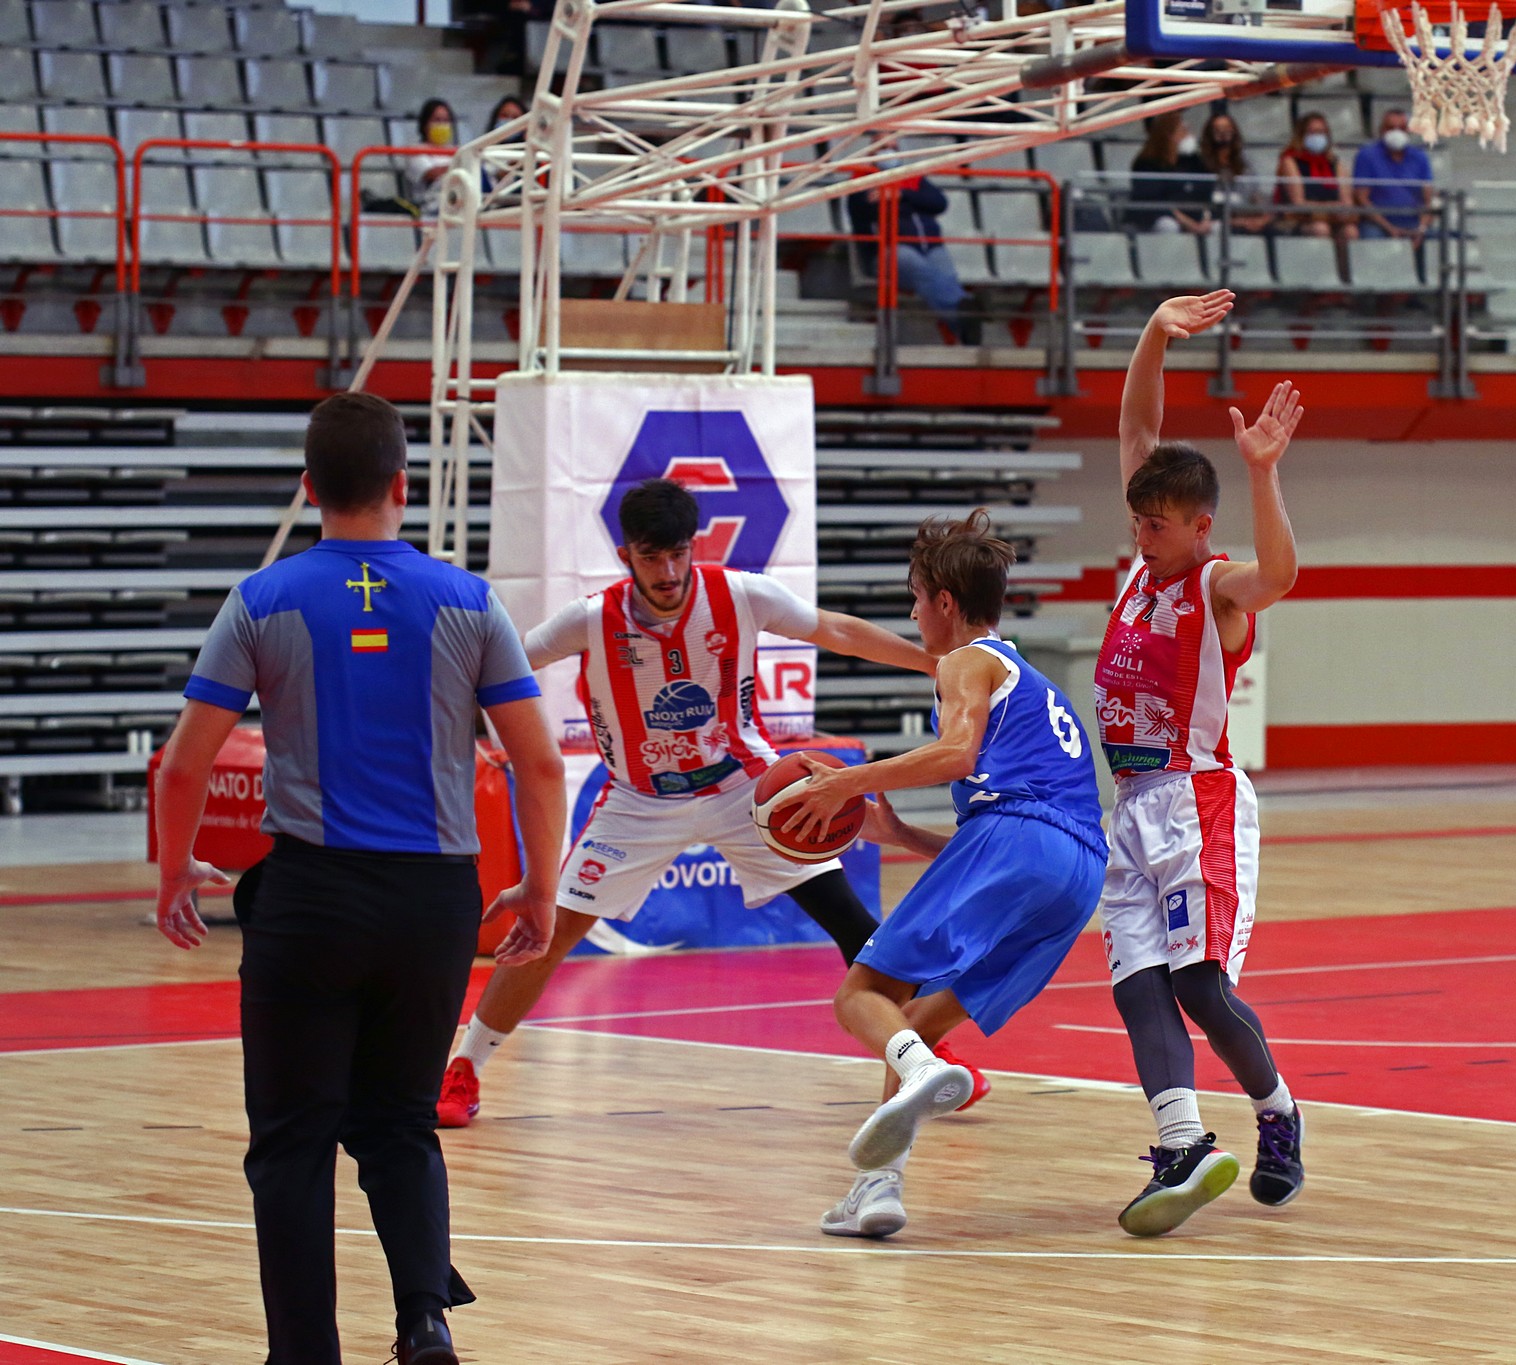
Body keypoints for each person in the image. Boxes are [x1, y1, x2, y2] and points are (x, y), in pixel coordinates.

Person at [152, 391, 566, 1365]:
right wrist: (539, 888)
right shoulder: (468, 600)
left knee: (292, 1141)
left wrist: (173, 869)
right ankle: (424, 1320)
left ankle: (306, 1353)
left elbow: (183, 764)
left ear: (310, 487)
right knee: (400, 1122)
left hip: (312, 897)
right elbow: (541, 763)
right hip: (433, 902)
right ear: (401, 486)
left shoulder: (262, 599)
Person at [437, 478, 988, 1126]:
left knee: (849, 919)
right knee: (548, 934)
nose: (668, 572)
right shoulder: (590, 618)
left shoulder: (740, 594)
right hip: (640, 800)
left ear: (694, 546)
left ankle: (924, 1049)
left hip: (743, 788)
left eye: (678, 554)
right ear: (626, 555)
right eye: (651, 558)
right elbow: (500, 667)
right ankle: (464, 1067)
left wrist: (933, 664)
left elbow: (837, 630)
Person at [777, 510, 1108, 1240]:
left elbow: (958, 756)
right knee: (916, 1023)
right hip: (1080, 869)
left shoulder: (965, 662)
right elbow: (1013, 835)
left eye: (916, 599)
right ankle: (877, 1187)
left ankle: (922, 1080)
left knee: (862, 995)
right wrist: (897, 833)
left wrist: (846, 781)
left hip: (1020, 838)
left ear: (946, 603)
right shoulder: (1032, 681)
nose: (913, 614)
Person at [1093, 290, 1305, 1238]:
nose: (1141, 534)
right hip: (1131, 802)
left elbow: (1280, 575)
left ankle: (1278, 1112)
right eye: (1139, 521)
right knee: (1137, 981)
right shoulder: (1141, 566)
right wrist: (1154, 334)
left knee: (1199, 986)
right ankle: (1181, 1143)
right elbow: (1137, 432)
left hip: (1198, 800)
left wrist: (1263, 471)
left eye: (1158, 525)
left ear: (1199, 526)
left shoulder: (1217, 586)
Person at [844, 168, 982, 345]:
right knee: (914, 264)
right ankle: (966, 310)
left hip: (930, 246)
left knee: (945, 273)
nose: (887, 154)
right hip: (886, 252)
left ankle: (965, 326)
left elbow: (939, 203)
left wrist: (902, 195)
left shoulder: (912, 177)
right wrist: (913, 201)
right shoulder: (860, 182)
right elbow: (867, 209)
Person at [1351, 108, 1435, 281]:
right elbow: (1361, 198)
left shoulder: (1420, 158)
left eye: (1401, 128)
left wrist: (1420, 229)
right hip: (1378, 223)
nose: (1396, 132)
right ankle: (1380, 290)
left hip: (1413, 222)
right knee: (1373, 240)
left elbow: (1428, 201)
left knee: (1446, 240)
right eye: (1391, 128)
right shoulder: (1367, 155)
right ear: (1381, 130)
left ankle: (1423, 290)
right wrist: (1390, 229)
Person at [1128, 110, 1214, 235]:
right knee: (1168, 225)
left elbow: (1206, 192)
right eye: (1183, 132)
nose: (1188, 136)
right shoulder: (1147, 164)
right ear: (1169, 135)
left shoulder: (1193, 160)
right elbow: (1155, 202)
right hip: (1156, 219)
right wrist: (1189, 224)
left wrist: (1205, 219)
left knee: (1216, 227)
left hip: (1194, 218)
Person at [1273, 113, 1351, 239]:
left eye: (1322, 132)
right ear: (1301, 135)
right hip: (1299, 219)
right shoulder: (1290, 161)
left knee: (1350, 231)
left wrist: (1326, 210)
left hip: (1332, 218)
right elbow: (1298, 203)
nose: (1318, 136)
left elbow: (1347, 203)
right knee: (1321, 228)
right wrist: (1331, 207)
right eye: (1313, 132)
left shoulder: (1335, 163)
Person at [1200, 110, 1270, 235]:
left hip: (1242, 213)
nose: (1223, 133)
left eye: (1227, 128)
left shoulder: (1244, 161)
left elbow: (1254, 193)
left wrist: (1263, 218)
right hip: (1214, 217)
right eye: (1218, 129)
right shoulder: (1200, 162)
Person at [402, 98, 457, 216]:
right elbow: (431, 174)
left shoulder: (457, 151)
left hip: (458, 205)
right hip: (429, 208)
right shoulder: (414, 151)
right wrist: (462, 164)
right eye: (437, 120)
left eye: (446, 121)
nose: (442, 125)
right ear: (425, 125)